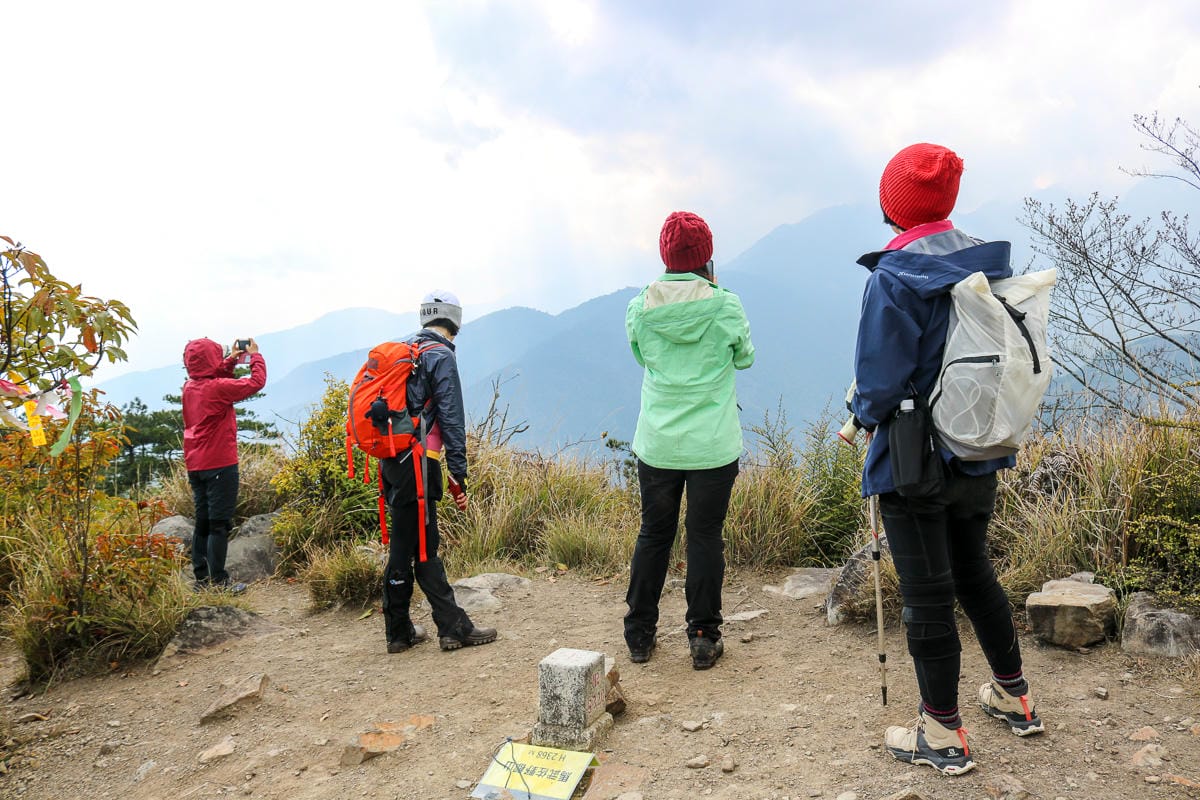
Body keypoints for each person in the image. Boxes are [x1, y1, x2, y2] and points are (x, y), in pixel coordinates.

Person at [850, 144, 1045, 777]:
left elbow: (879, 384)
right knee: (973, 570)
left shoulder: (893, 278)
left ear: (894, 205)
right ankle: (1015, 696)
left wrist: (860, 416)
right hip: (978, 450)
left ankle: (941, 732)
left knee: (928, 593)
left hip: (914, 460)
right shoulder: (984, 263)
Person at [623, 211, 755, 670]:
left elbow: (640, 354)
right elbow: (745, 358)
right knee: (703, 536)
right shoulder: (726, 304)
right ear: (707, 257)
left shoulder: (640, 307)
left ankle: (639, 634)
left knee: (653, 534)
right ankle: (703, 635)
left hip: (658, 441)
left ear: (665, 256)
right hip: (713, 444)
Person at [379, 291, 498, 654]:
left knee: (403, 547)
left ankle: (398, 632)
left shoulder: (403, 350)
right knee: (426, 547)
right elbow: (451, 415)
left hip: (390, 460)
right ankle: (452, 627)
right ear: (455, 319)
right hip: (420, 461)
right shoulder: (440, 355)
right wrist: (458, 472)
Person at [182, 337, 267, 591]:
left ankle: (202, 579)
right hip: (220, 463)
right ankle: (219, 581)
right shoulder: (217, 389)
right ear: (211, 359)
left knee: (203, 521)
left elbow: (212, 377)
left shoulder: (190, 387)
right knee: (219, 524)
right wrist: (255, 357)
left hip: (196, 464)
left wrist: (230, 360)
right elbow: (255, 383)